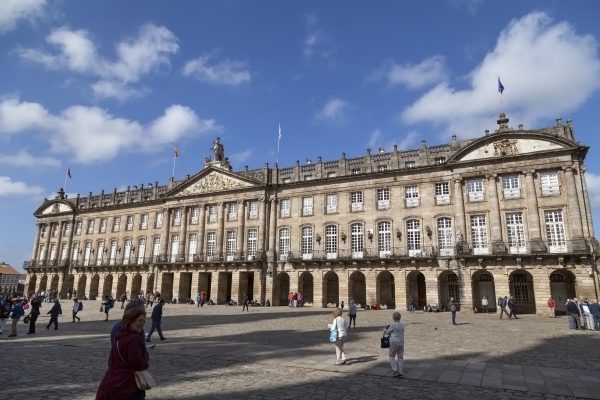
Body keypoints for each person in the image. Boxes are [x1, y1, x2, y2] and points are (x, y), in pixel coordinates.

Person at [96, 307, 149, 400]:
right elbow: (136, 363)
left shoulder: (120, 337)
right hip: (128, 384)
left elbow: (112, 360)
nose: (142, 323)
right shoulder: (134, 339)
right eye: (139, 320)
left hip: (113, 380)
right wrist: (145, 362)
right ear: (131, 321)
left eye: (143, 321)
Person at [384, 311, 405, 378]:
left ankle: (395, 370)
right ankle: (401, 372)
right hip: (401, 343)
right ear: (400, 318)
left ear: (393, 318)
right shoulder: (402, 325)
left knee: (391, 357)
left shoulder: (392, 325)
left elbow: (387, 333)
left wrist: (385, 329)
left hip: (394, 343)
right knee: (400, 358)